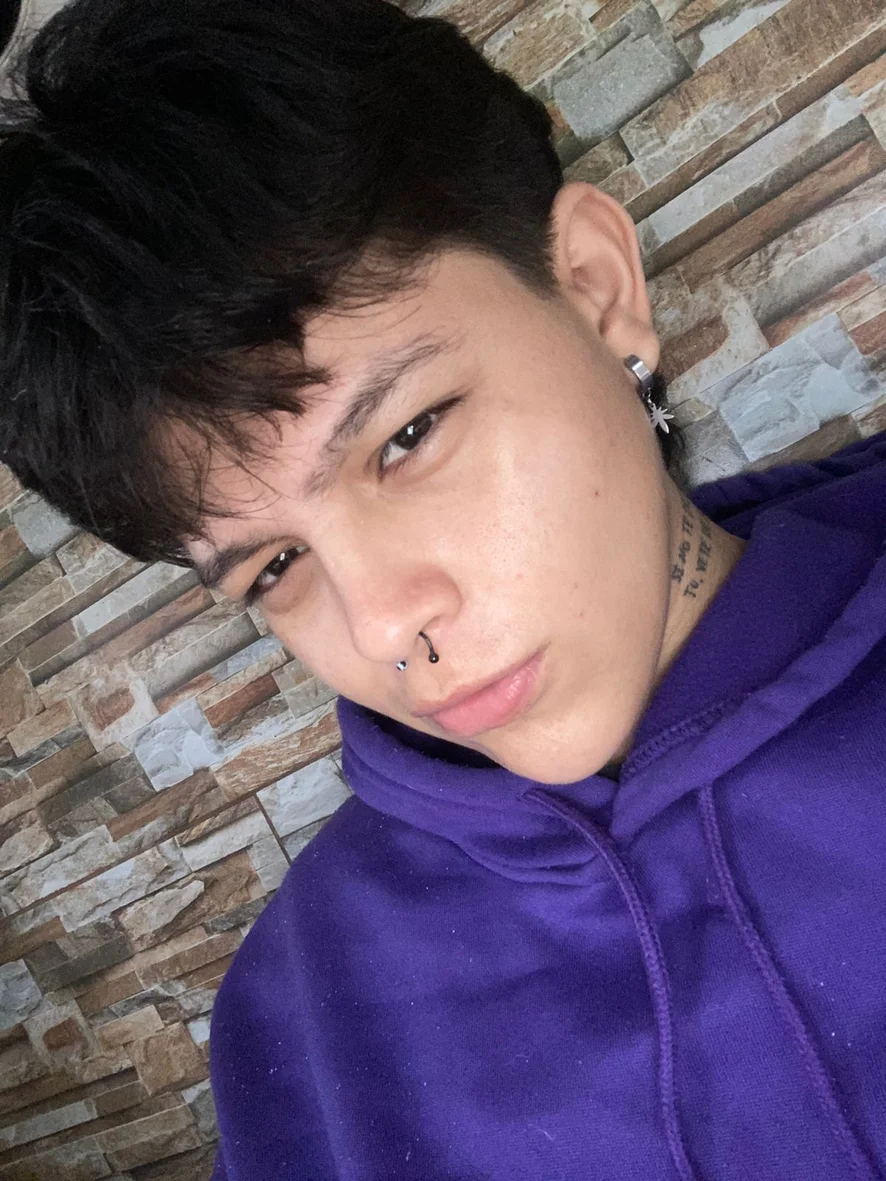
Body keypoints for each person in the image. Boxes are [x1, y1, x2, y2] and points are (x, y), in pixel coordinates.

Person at [1, 1, 884, 1178]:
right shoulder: (305, 1017)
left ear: (594, 287)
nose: (384, 624)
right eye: (274, 566)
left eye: (407, 437)